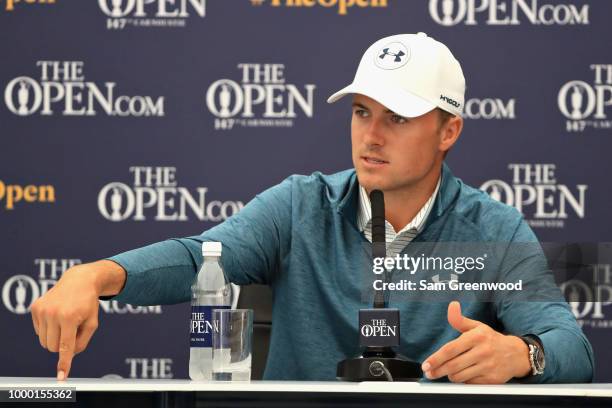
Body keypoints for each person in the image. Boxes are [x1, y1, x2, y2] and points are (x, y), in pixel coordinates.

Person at [31, 33, 594, 383]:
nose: (371, 136)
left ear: (450, 130)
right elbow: (198, 258)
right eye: (361, 112)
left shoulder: (493, 229)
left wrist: (523, 355)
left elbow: (571, 346)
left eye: (397, 118)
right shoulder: (302, 204)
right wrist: (96, 275)